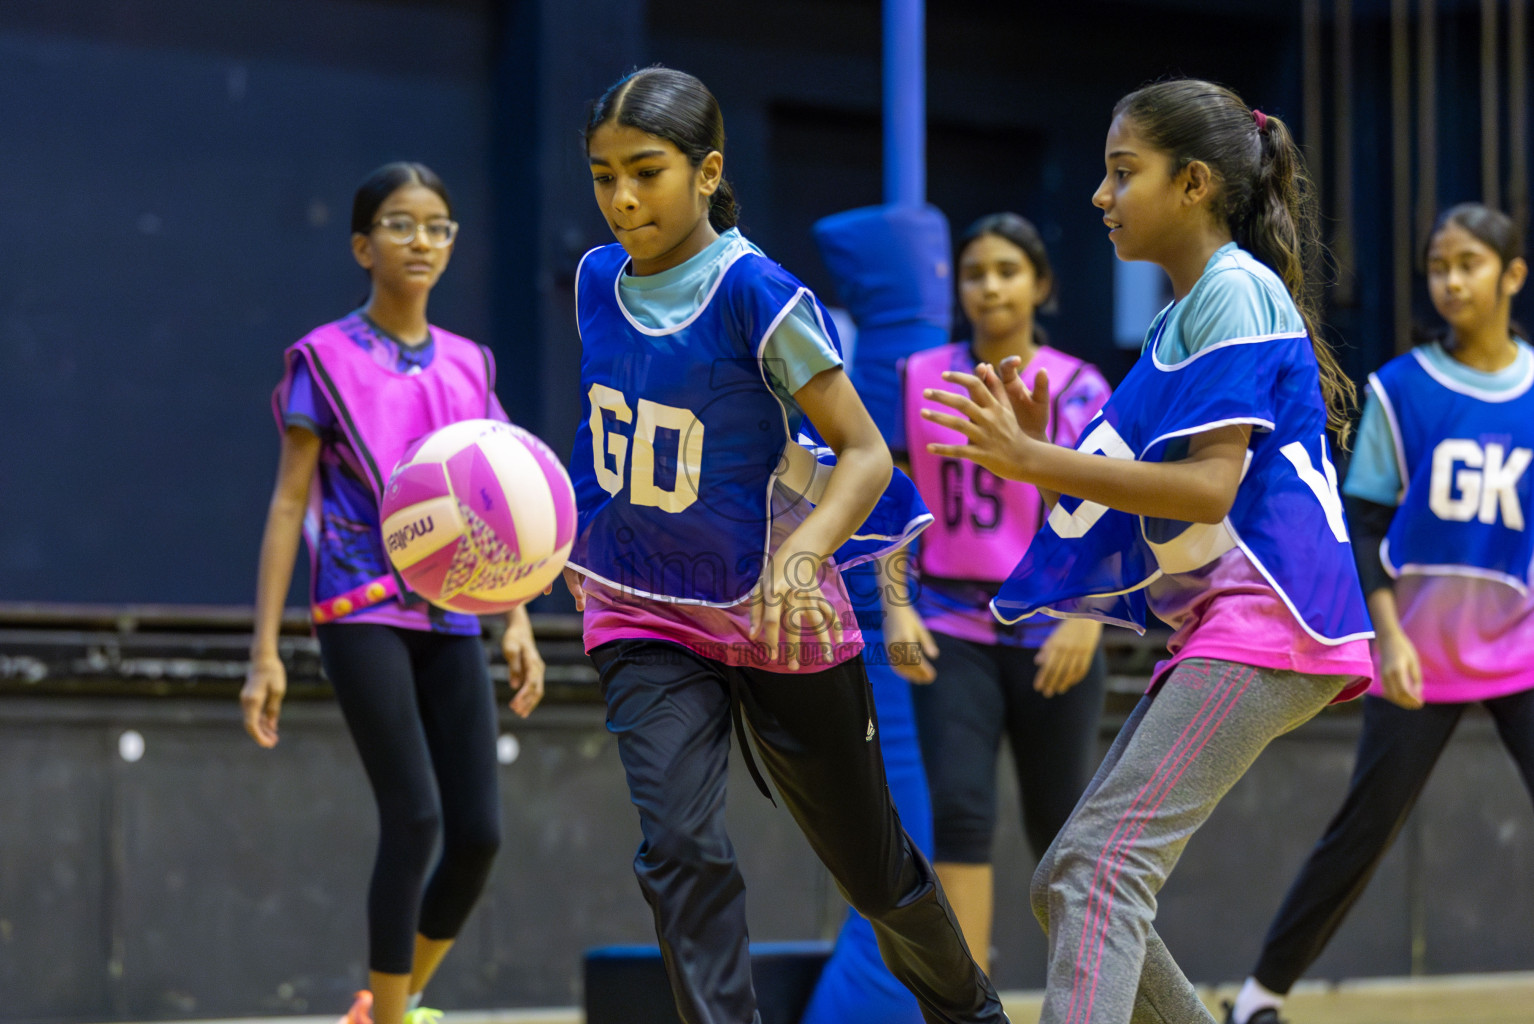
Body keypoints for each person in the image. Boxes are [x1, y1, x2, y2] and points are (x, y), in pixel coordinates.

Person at [921, 80, 1375, 1023]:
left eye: (1123, 173)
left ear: (1197, 183)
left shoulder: (1237, 292)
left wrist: (1038, 456)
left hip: (1270, 620)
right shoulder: (1184, 316)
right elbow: (1144, 507)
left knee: (1097, 869)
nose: (1101, 195)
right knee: (1068, 876)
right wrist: (1053, 467)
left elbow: (1211, 489)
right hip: (1228, 625)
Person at [564, 66, 1006, 1024]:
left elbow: (863, 454)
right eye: (603, 175)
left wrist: (800, 557)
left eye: (645, 171)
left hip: (778, 604)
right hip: (644, 604)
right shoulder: (596, 279)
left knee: (875, 872)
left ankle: (973, 1016)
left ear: (708, 169)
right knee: (677, 847)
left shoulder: (758, 295)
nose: (622, 197)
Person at [242, 162, 546, 1024]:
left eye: (439, 226)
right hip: (360, 608)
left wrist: (515, 616)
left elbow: (501, 500)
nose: (423, 241)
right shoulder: (325, 359)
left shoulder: (470, 365)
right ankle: (395, 1013)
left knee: (478, 834)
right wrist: (264, 653)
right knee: (414, 816)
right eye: (403, 224)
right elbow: (286, 503)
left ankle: (391, 1003)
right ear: (362, 245)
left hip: (454, 613)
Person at [1224, 203, 1533, 1024]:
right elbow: (1364, 525)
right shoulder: (1401, 390)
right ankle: (1259, 997)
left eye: (1469, 263)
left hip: (1520, 651)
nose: (1451, 279)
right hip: (1417, 657)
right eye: (1439, 265)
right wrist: (1387, 637)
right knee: (1363, 832)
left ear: (1512, 276)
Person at [892, 212, 1112, 974]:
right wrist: (894, 605)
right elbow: (893, 498)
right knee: (959, 816)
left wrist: (1089, 618)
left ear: (1040, 284)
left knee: (1065, 830)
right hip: (954, 623)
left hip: (1056, 625)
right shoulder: (919, 374)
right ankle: (967, 1010)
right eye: (975, 271)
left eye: (1007, 271)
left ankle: (1087, 1002)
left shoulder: (1081, 387)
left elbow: (1108, 512)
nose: (989, 286)